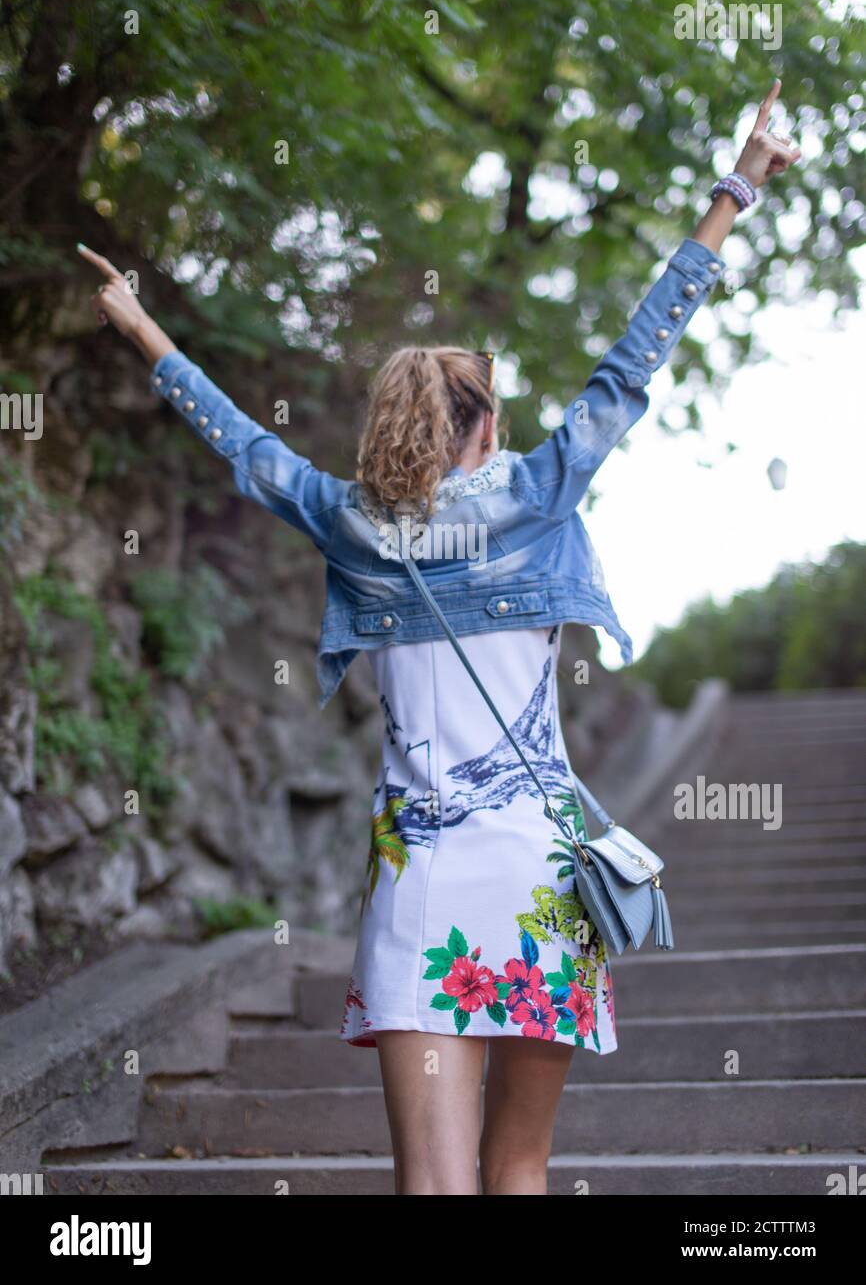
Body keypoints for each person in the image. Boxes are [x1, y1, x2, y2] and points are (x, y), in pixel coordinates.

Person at [79, 81, 799, 1196]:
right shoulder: (541, 494)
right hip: (543, 874)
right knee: (519, 1169)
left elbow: (242, 442)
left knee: (432, 1182)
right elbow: (631, 358)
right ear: (487, 426)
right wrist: (733, 184)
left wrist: (139, 327)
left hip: (418, 880)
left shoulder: (346, 522)